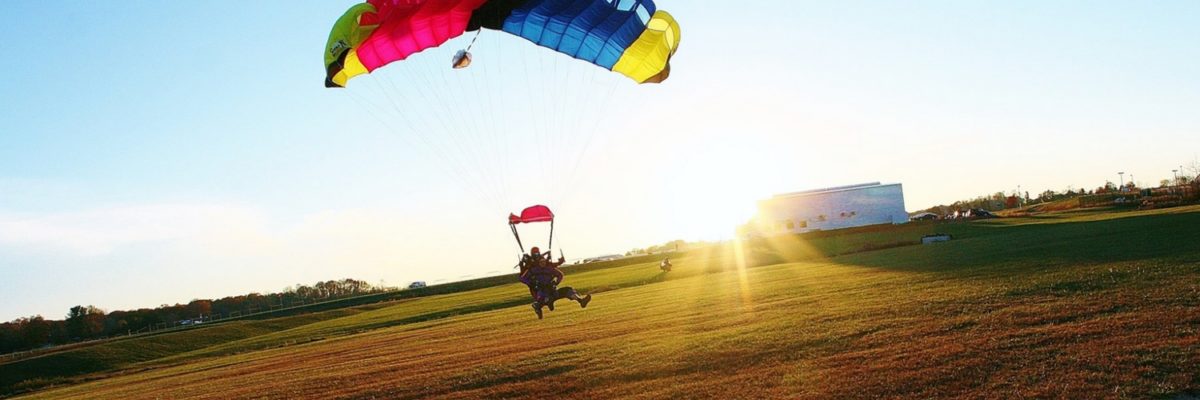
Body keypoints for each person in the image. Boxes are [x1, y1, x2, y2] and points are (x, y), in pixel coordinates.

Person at [519, 249, 591, 319]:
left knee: (568, 290)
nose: (543, 263)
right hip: (542, 293)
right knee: (545, 299)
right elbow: (522, 278)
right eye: (541, 262)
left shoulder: (549, 269)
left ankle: (581, 301)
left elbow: (560, 275)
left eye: (544, 261)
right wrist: (532, 284)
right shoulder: (533, 270)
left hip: (553, 291)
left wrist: (556, 282)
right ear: (538, 262)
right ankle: (537, 307)